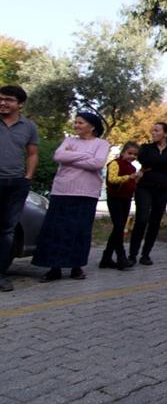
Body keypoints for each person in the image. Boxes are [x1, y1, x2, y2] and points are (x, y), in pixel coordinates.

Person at [32, 112, 110, 281]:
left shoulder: (101, 144)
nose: (76, 125)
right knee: (56, 230)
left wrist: (70, 158)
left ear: (92, 126)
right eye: (75, 122)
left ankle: (77, 266)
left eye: (80, 123)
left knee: (80, 230)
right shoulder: (69, 141)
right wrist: (85, 156)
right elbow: (58, 156)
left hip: (86, 193)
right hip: (62, 191)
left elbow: (97, 163)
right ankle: (54, 267)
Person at [0, 85, 39, 292]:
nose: (3, 103)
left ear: (20, 104)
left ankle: (1, 274)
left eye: (8, 100)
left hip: (16, 183)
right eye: (1, 99)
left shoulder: (29, 127)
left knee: (7, 230)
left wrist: (28, 177)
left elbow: (32, 153)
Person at [129, 122, 167, 265]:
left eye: (157, 131)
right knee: (142, 218)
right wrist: (165, 163)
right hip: (145, 187)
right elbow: (145, 161)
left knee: (155, 221)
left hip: (163, 189)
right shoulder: (145, 148)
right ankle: (132, 254)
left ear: (165, 133)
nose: (153, 133)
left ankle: (145, 254)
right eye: (152, 131)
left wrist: (156, 164)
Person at [100, 141, 141, 270]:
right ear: (123, 152)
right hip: (115, 198)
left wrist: (136, 179)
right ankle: (121, 256)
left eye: (135, 155)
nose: (132, 157)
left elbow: (133, 183)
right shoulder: (115, 164)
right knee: (118, 227)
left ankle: (106, 258)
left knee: (119, 228)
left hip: (126, 199)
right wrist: (128, 177)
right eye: (130, 153)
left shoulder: (132, 168)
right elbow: (112, 179)